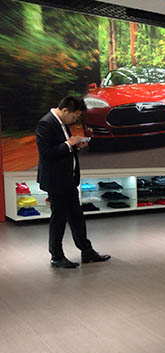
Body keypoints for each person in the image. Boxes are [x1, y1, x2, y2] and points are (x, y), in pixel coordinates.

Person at [36, 96, 110, 268]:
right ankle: (56, 256)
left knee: (77, 217)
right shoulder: (45, 124)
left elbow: (63, 149)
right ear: (65, 110)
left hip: (68, 179)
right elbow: (46, 153)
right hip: (56, 181)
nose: (75, 120)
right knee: (59, 219)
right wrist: (69, 144)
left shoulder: (63, 123)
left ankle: (87, 251)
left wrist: (75, 146)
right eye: (75, 116)